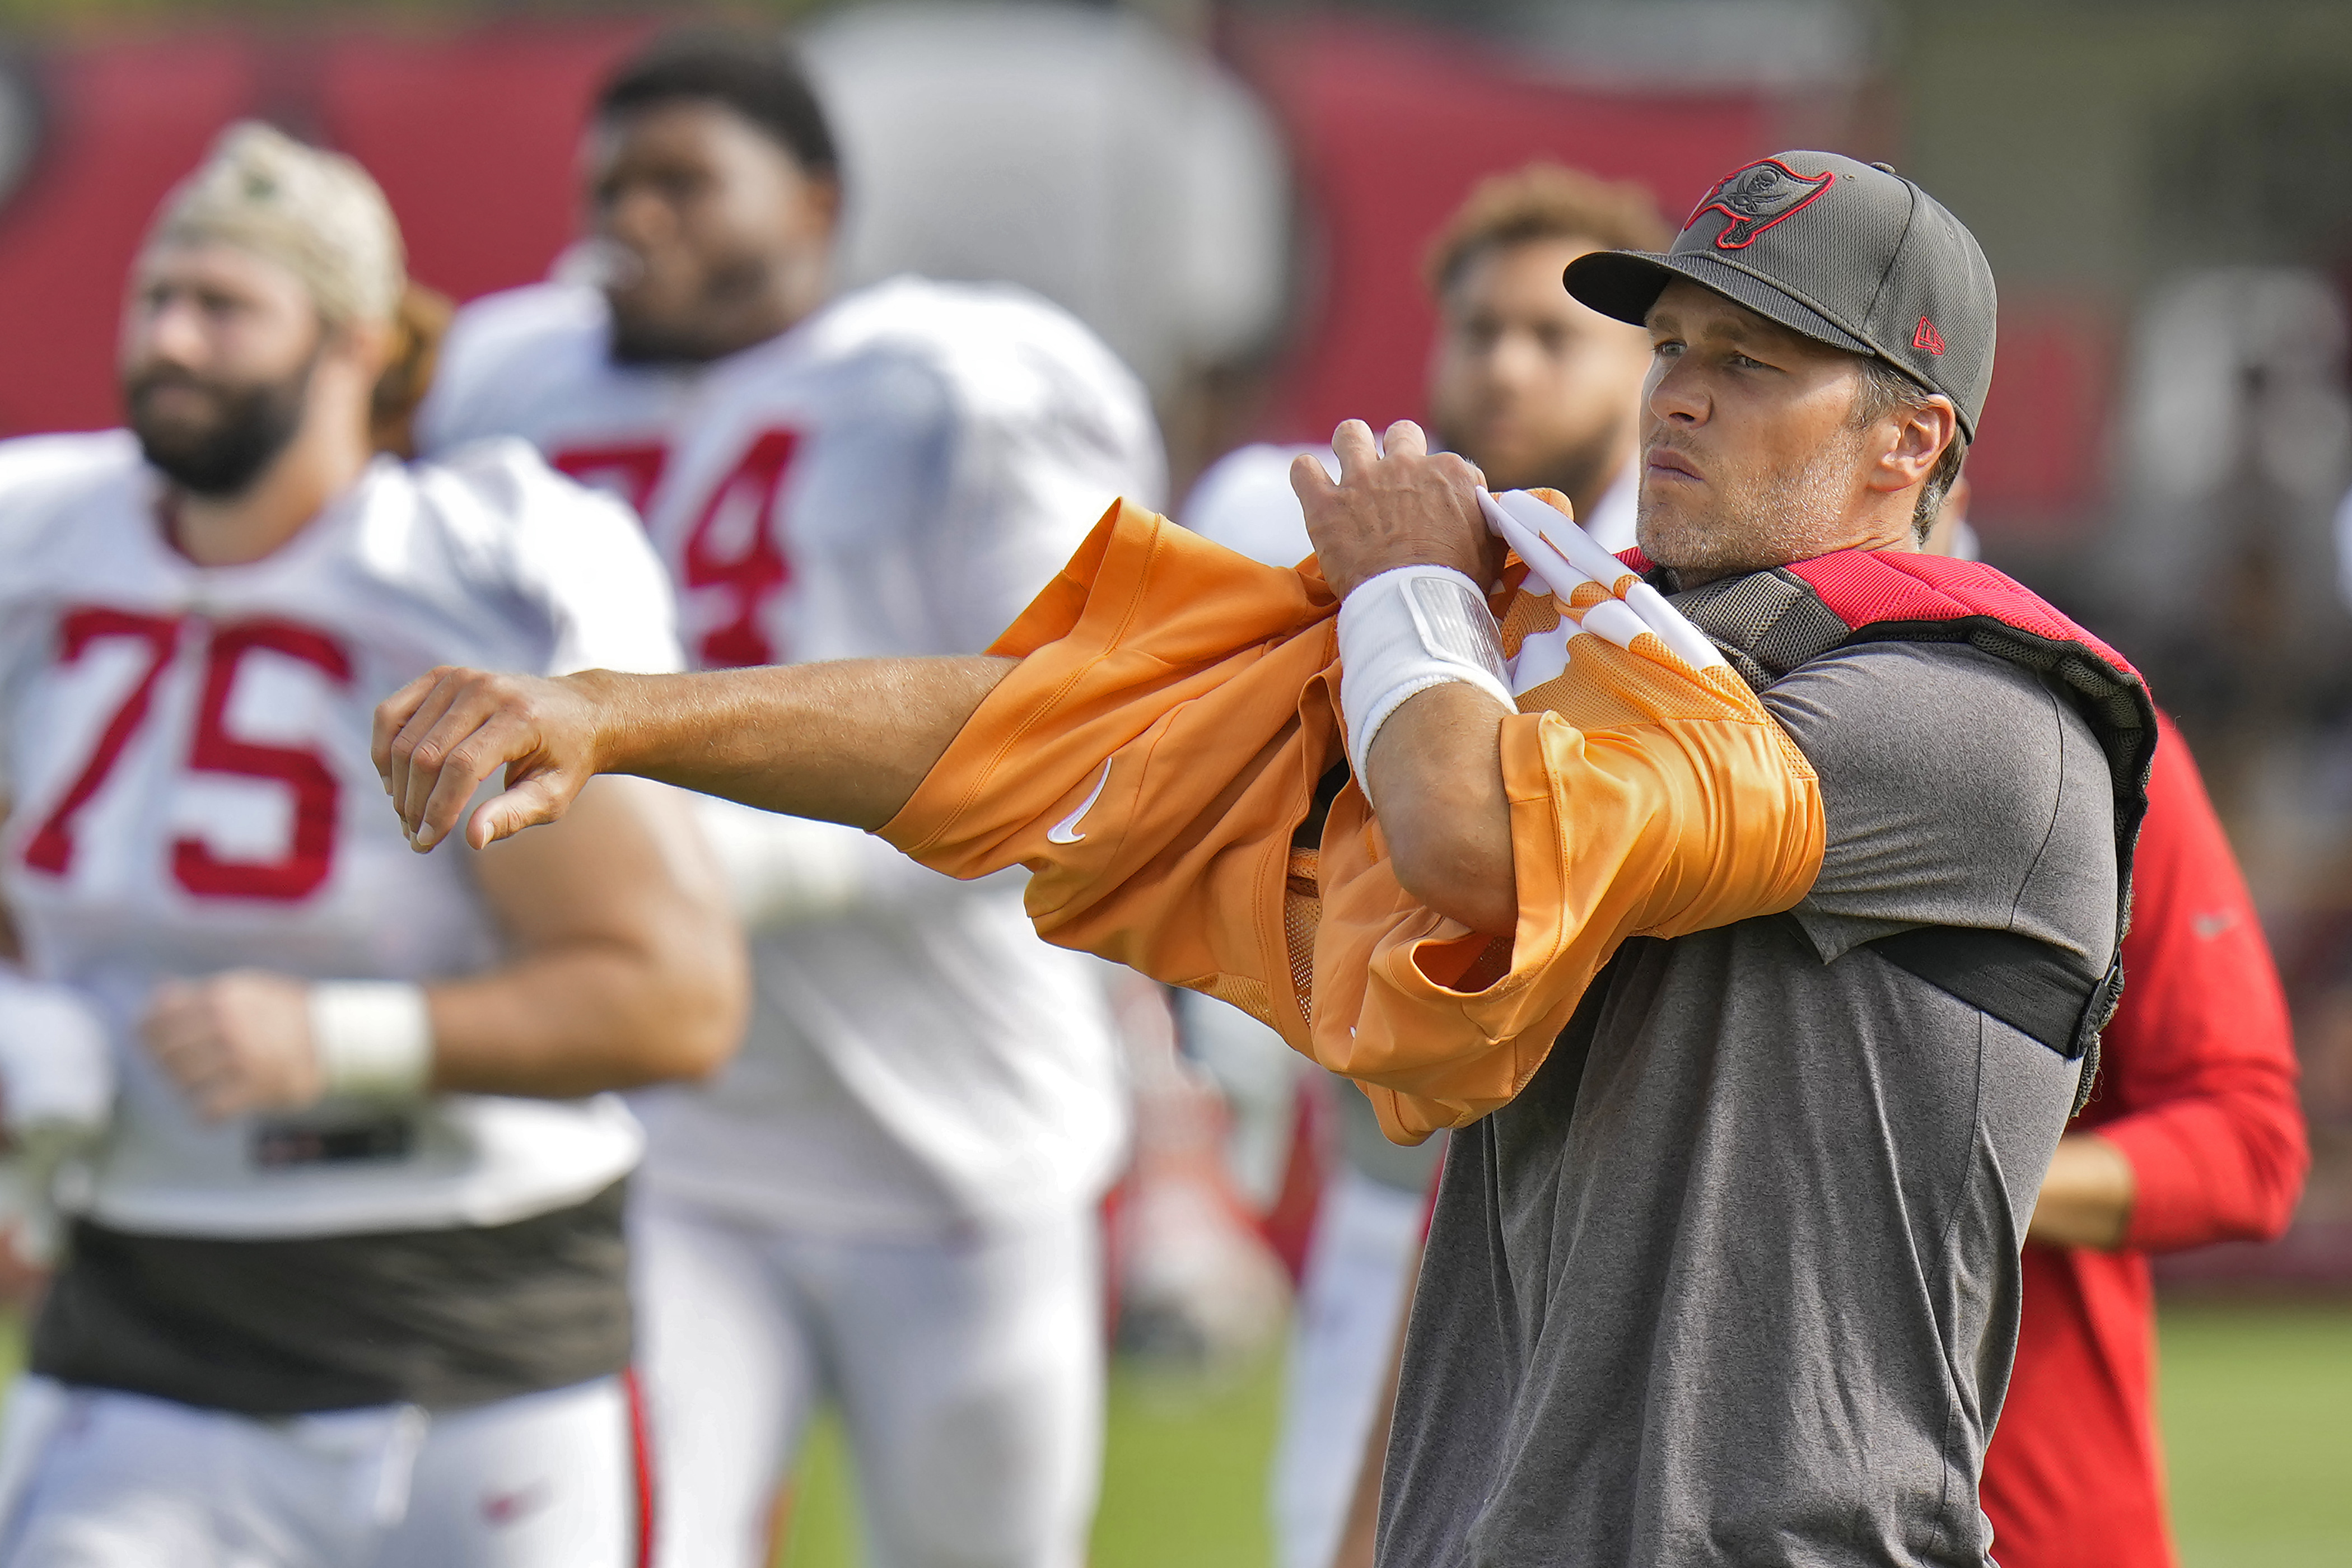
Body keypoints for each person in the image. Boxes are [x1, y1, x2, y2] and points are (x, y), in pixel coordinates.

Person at [377, 152, 2158, 1565]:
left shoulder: (1974, 721)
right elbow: (1041, 730)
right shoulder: (1579, 655)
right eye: (1673, 347)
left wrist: (1404, 584)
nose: (1670, 397)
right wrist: (621, 716)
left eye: (1750, 366)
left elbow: (1479, 842)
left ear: (1912, 438)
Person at [413, 32, 1163, 1568]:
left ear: (816, 203)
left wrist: (708, 875)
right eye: (611, 182)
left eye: (686, 180)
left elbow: (1057, 747)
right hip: (678, 1143)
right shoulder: (515, 383)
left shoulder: (956, 382)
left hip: (953, 1136)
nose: (637, 217)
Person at [0, 124, 745, 1566]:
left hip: (478, 1343)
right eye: (155, 298)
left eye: (224, 306)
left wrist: (342, 1041)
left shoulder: (461, 579)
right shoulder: (36, 548)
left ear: (350, 344)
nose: (169, 339)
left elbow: (673, 991)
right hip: (149, 1330)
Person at [1179, 161, 1670, 1568]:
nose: (1509, 364)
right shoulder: (1295, 525)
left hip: (1616, 1205)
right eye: (1482, 326)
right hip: (1392, 1185)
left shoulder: (1694, 581)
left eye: (1557, 333)